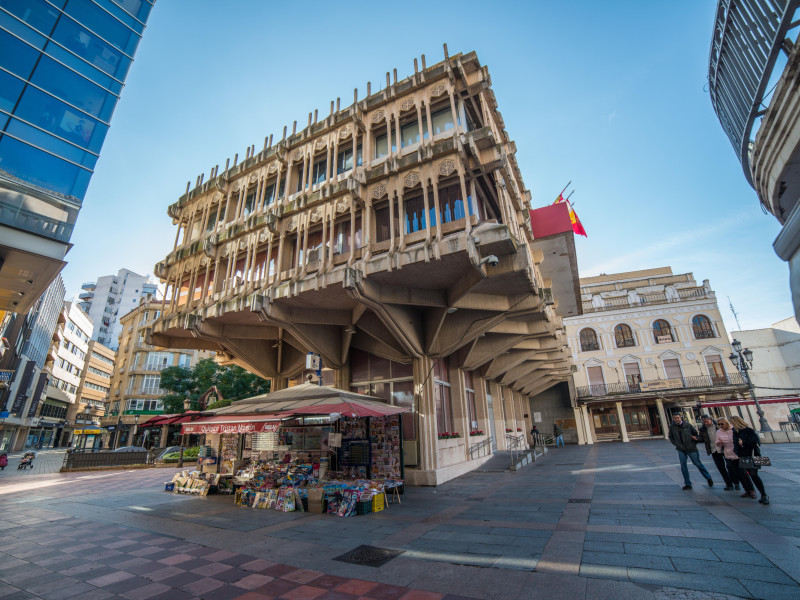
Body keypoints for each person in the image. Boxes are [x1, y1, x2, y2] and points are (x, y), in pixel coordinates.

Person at [668, 412, 713, 490]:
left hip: (691, 448)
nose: (676, 419)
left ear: (681, 417)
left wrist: (693, 442)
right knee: (683, 466)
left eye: (677, 418)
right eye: (675, 418)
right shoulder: (672, 427)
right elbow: (670, 436)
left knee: (697, 463)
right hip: (681, 449)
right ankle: (687, 483)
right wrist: (676, 444)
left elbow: (696, 435)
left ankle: (708, 477)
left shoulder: (687, 425)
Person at [730, 416, 769, 505]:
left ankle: (764, 495)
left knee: (754, 475)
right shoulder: (735, 432)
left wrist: (743, 442)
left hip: (753, 455)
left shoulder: (749, 430)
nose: (732, 425)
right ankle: (756, 492)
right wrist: (738, 454)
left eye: (732, 423)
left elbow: (756, 442)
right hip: (743, 456)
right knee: (748, 474)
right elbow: (735, 445)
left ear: (736, 423)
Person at [698, 415, 734, 490]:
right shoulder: (703, 429)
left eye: (706, 422)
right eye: (704, 422)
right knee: (721, 468)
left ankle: (735, 481)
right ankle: (729, 484)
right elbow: (702, 439)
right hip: (714, 449)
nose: (706, 424)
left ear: (710, 419)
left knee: (730, 466)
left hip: (724, 448)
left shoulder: (719, 425)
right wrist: (696, 438)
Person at [714, 418, 741, 491]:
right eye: (719, 424)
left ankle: (741, 484)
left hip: (736, 452)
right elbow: (717, 440)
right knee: (731, 469)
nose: (720, 426)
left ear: (726, 423)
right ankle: (735, 483)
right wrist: (718, 443)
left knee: (739, 470)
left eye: (722, 424)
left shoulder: (733, 429)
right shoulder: (718, 431)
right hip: (727, 452)